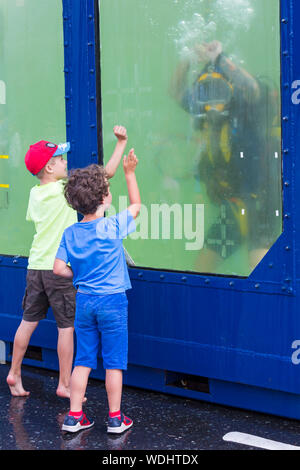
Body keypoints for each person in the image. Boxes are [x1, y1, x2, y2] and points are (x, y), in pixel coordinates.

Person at [6, 126, 128, 398]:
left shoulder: (35, 194)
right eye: (61, 159)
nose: (65, 162)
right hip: (57, 269)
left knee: (27, 321)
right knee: (66, 327)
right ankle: (64, 383)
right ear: (49, 167)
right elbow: (105, 174)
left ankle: (14, 372)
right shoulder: (63, 190)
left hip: (35, 265)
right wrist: (120, 144)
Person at [170, 40, 281, 273]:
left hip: (259, 205)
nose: (212, 102)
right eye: (205, 92)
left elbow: (252, 88)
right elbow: (176, 91)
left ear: (230, 90)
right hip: (232, 209)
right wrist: (186, 59)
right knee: (202, 269)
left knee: (262, 274)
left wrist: (219, 58)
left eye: (218, 91)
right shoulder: (204, 112)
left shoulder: (245, 108)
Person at [53, 148, 140, 434]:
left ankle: (74, 416)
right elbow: (136, 206)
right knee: (114, 362)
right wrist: (129, 173)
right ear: (104, 198)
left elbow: (57, 268)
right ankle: (115, 419)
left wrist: (77, 275)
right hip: (113, 302)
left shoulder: (70, 233)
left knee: (84, 360)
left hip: (85, 301)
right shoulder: (112, 226)